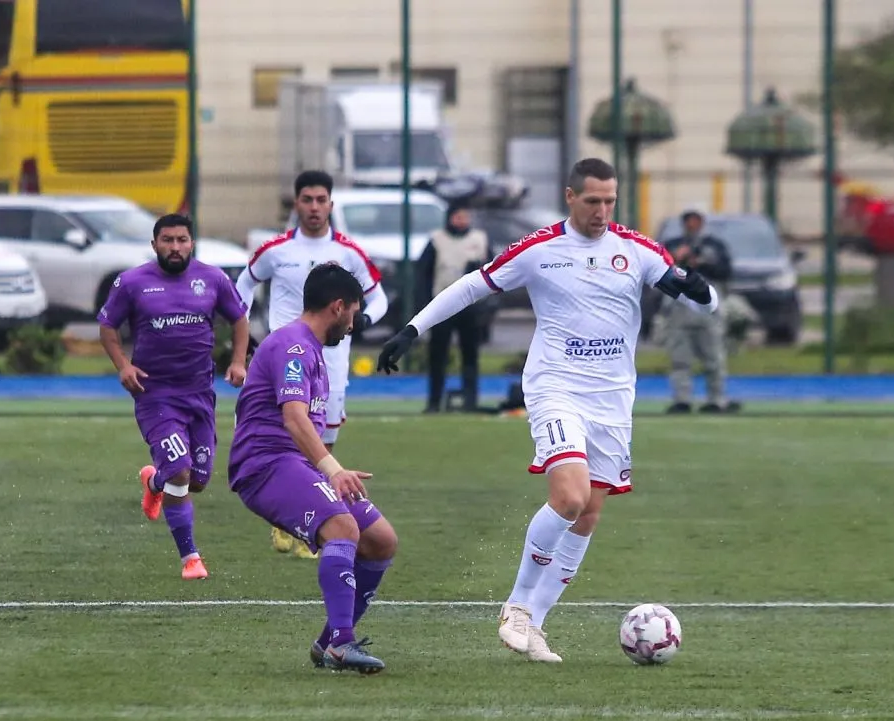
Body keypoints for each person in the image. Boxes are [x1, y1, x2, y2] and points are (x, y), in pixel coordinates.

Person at [377, 158, 719, 663]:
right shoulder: (539, 250)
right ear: (570, 197)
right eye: (592, 201)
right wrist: (412, 329)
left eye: (609, 200)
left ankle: (535, 624)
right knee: (569, 496)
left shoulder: (638, 251)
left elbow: (704, 302)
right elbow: (474, 284)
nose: (602, 211)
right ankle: (516, 607)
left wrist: (701, 291)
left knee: (589, 515)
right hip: (555, 387)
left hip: (612, 399)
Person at [228, 262, 398, 673]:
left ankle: (327, 643)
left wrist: (324, 469)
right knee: (344, 528)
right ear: (338, 307)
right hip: (265, 465)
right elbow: (294, 418)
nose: (354, 325)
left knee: (380, 540)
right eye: (354, 314)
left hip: (294, 464)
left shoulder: (313, 350)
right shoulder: (294, 347)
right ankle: (343, 643)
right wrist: (332, 469)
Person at [235, 170, 389, 559]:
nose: (315, 207)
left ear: (331, 205)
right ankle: (288, 509)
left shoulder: (349, 252)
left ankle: (314, 507)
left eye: (322, 200)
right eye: (308, 199)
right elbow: (243, 285)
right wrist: (245, 339)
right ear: (297, 204)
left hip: (332, 361)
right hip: (286, 356)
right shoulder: (276, 250)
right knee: (287, 423)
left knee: (323, 432)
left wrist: (365, 321)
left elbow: (379, 297)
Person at [98, 213, 250, 580]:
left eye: (182, 240)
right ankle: (190, 559)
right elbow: (107, 325)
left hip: (199, 394)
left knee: (196, 479)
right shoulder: (132, 282)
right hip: (155, 395)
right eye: (167, 240)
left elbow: (239, 318)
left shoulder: (213, 279)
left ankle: (153, 482)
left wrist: (238, 361)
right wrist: (123, 365)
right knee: (180, 471)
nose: (175, 247)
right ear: (155, 245)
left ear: (191, 243)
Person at [414, 201, 493, 412]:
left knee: (471, 355)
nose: (462, 221)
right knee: (438, 355)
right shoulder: (436, 240)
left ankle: (470, 401)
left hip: (471, 307)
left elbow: (494, 271)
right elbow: (423, 273)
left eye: (465, 216)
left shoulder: (480, 239)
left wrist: (488, 305)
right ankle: (434, 401)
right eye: (458, 216)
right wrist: (424, 304)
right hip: (443, 305)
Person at [661, 205, 740, 414]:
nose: (692, 224)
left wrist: (701, 262)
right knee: (680, 359)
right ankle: (682, 399)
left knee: (714, 358)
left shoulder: (714, 245)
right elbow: (657, 270)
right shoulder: (672, 245)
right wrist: (676, 259)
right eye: (688, 219)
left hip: (708, 309)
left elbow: (726, 271)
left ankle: (716, 399)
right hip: (679, 309)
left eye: (696, 219)